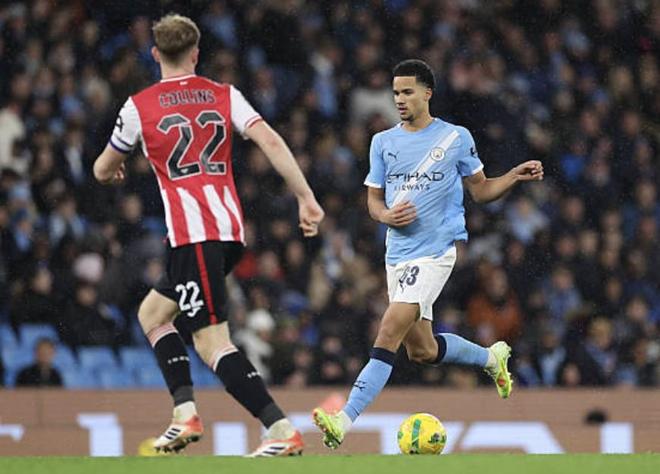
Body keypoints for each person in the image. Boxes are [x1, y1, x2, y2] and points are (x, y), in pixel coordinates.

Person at [93, 14, 324, 456]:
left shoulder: (139, 106)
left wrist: (114, 168)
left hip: (193, 235)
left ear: (155, 53)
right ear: (196, 53)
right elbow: (271, 141)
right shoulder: (224, 95)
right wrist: (305, 197)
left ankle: (278, 428)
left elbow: (102, 168)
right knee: (153, 313)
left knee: (211, 341)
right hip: (229, 232)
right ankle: (184, 413)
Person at [312, 59, 543, 449]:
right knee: (422, 350)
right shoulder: (382, 142)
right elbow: (373, 200)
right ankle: (491, 359)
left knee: (388, 329)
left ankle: (343, 419)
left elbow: (481, 190)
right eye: (395, 93)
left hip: (435, 252)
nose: (399, 99)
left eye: (407, 92)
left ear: (427, 93)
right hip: (397, 254)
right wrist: (385, 215)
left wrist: (513, 177)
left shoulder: (455, 138)